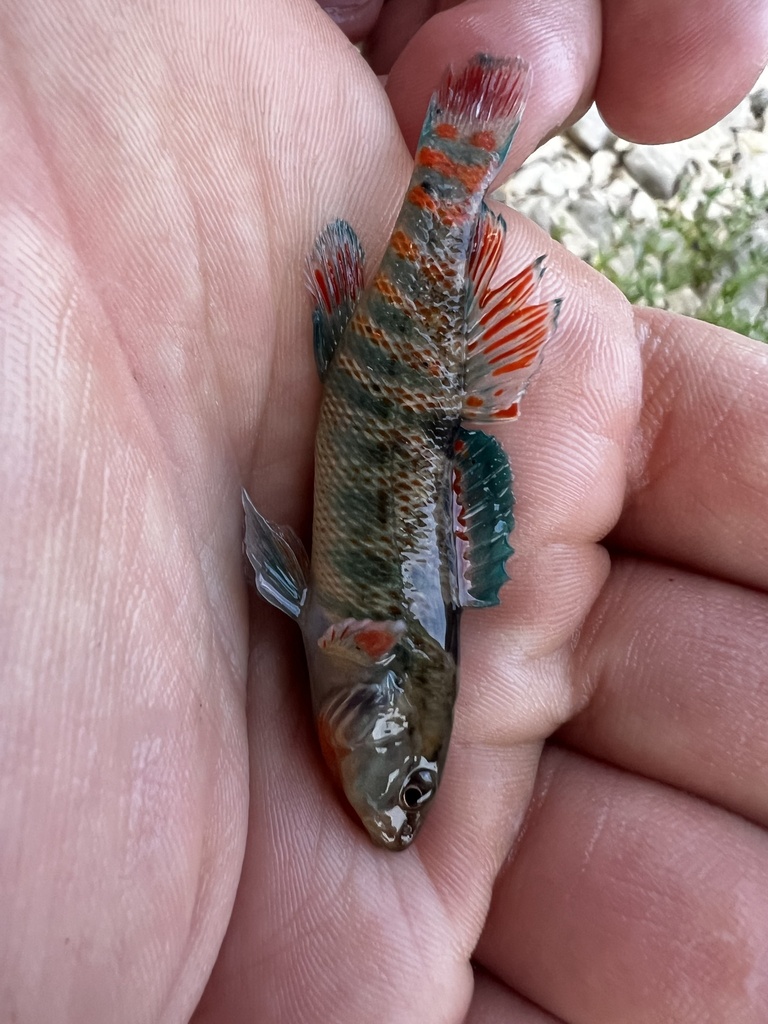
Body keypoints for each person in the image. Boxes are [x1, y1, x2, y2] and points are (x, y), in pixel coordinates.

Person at [1, 0, 766, 1021]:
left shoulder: (366, 654)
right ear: (390, 703)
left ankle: (457, 170)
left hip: (386, 384)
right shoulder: (364, 652)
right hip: (399, 383)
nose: (397, 813)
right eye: (411, 788)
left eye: (409, 791)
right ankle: (455, 175)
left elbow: (294, 580)